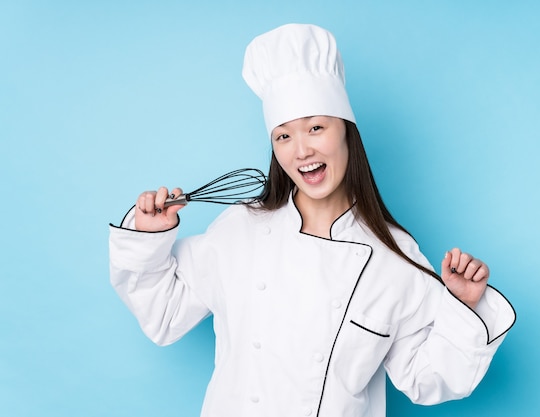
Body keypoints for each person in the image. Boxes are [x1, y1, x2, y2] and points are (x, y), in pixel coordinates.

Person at [109, 23, 516, 417]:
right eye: (283, 136)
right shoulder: (240, 230)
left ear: (346, 132)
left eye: (316, 128)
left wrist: (462, 306)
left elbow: (426, 379)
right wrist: (148, 238)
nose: (301, 150)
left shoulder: (393, 255)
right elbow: (163, 315)